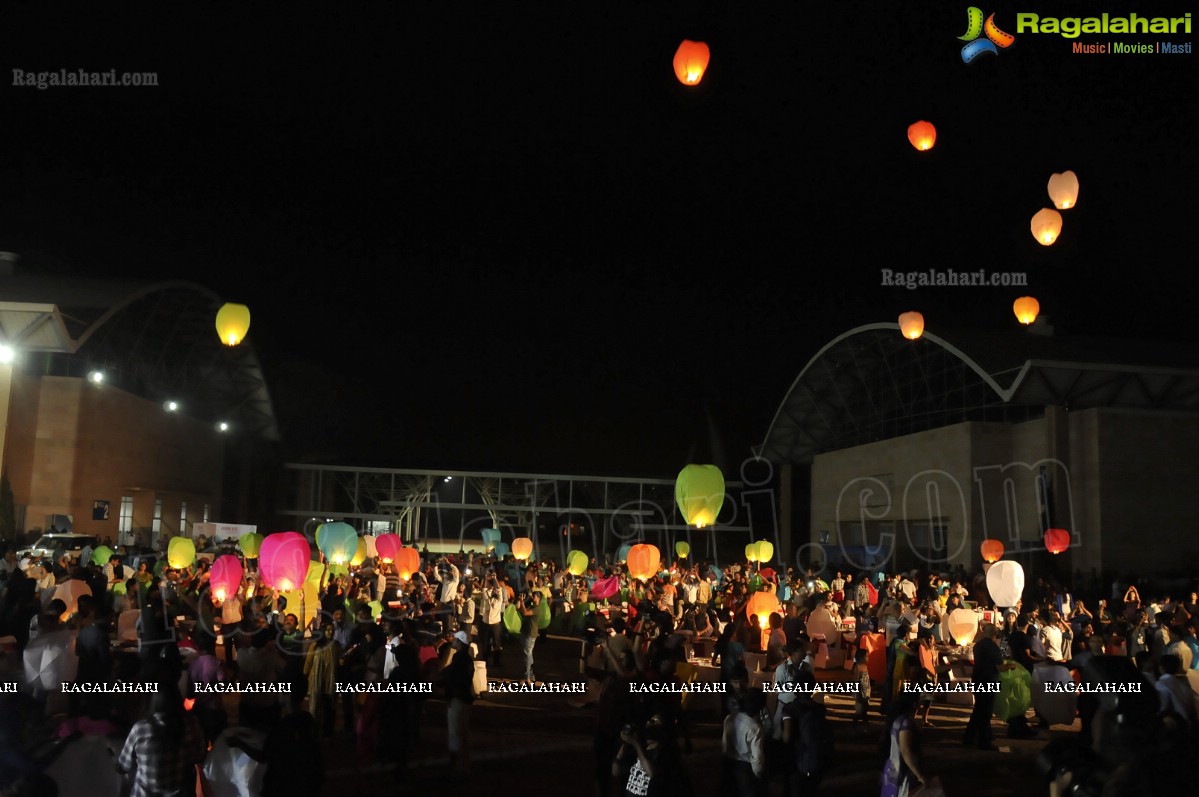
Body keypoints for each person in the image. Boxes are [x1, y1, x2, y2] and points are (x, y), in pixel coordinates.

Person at [116, 684, 207, 797]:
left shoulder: (141, 729)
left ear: (153, 702)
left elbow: (124, 765)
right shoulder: (192, 724)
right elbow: (200, 754)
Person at [880, 693, 930, 797]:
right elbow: (905, 751)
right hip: (902, 772)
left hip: (893, 768)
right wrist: (919, 775)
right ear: (913, 704)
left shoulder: (897, 719)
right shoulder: (906, 723)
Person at [720, 688, 766, 797]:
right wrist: (759, 774)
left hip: (728, 764)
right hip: (745, 768)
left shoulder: (730, 718)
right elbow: (757, 757)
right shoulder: (755, 728)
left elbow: (724, 743)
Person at [519, 590, 541, 684]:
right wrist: (521, 601)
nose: (532, 597)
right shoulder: (532, 606)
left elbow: (525, 613)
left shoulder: (537, 608)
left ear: (538, 598)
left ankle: (526, 677)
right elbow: (521, 610)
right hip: (527, 632)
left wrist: (522, 602)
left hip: (530, 633)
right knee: (529, 654)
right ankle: (531, 675)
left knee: (527, 655)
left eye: (534, 596)